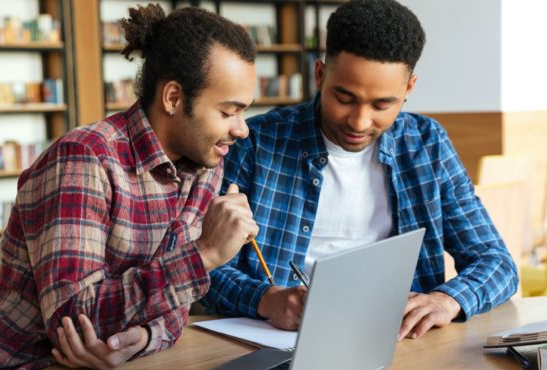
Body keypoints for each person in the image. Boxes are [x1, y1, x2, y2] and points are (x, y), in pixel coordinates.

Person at [0, 4, 258, 370]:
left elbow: (173, 308)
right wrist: (205, 254)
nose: (241, 130)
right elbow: (74, 321)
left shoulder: (205, 167)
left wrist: (140, 338)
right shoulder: (83, 160)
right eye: (228, 112)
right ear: (173, 98)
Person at [200, 0, 518, 339]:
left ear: (408, 89)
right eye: (345, 98)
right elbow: (203, 270)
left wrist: (447, 299)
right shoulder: (256, 142)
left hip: (401, 344)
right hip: (280, 343)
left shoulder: (428, 145)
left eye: (382, 104)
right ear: (320, 75)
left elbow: (496, 263)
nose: (359, 121)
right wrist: (265, 299)